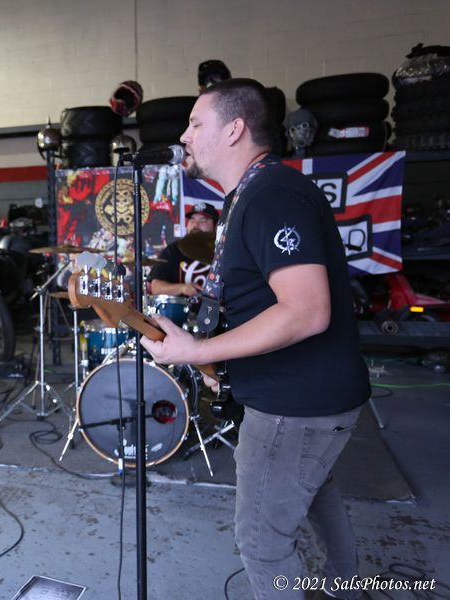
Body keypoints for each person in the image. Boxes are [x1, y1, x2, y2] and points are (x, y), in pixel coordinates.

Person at [140, 79, 370, 600]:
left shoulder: (271, 195)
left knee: (263, 545)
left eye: (196, 123)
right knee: (316, 492)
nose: (184, 135)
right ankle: (346, 588)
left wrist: (199, 351)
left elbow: (307, 311)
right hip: (303, 398)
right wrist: (216, 358)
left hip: (295, 404)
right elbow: (260, 301)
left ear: (235, 129)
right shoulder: (252, 194)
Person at [147, 202, 218, 297]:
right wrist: (182, 288)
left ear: (216, 226)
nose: (195, 225)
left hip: (216, 306)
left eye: (203, 220)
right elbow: (155, 287)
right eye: (192, 220)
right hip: (180, 306)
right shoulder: (173, 250)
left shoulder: (223, 252)